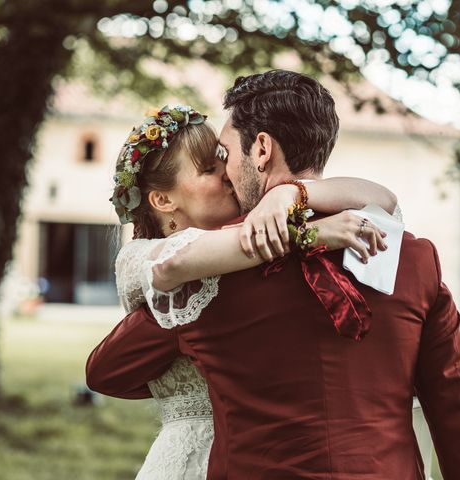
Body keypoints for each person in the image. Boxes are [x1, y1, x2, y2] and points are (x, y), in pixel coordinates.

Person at [87, 70, 460, 479]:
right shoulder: (412, 258)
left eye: (226, 156)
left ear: (261, 149)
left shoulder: (208, 276)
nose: (224, 173)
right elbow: (457, 415)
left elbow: (109, 367)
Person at [101, 103, 397, 479]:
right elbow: (177, 264)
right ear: (163, 200)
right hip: (192, 456)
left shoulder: (245, 231)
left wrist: (289, 193)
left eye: (221, 160)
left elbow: (384, 198)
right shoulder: (142, 256)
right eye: (209, 169)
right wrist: (308, 235)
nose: (227, 174)